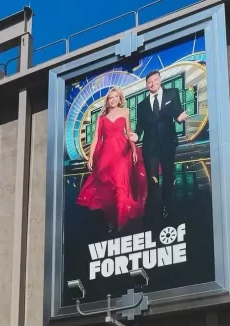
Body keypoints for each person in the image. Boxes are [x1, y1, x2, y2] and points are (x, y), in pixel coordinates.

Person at [77, 87, 147, 234]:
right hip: (107, 155)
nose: (113, 99)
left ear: (119, 98)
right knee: (108, 189)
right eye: (111, 97)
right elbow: (96, 137)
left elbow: (128, 132)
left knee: (121, 186)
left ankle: (121, 223)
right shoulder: (101, 117)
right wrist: (90, 157)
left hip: (122, 152)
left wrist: (134, 149)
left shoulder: (125, 112)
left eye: (116, 96)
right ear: (107, 100)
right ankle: (110, 219)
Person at [133, 70, 188, 220]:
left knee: (168, 176)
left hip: (168, 143)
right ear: (146, 85)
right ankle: (156, 208)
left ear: (160, 79)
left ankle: (166, 206)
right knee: (153, 179)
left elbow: (177, 110)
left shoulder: (172, 93)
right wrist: (136, 135)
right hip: (150, 147)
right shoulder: (141, 105)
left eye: (155, 80)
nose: (153, 83)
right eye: (150, 82)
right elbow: (140, 126)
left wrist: (179, 117)